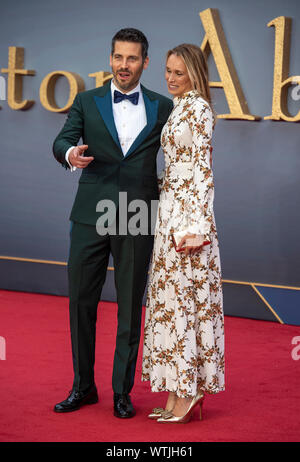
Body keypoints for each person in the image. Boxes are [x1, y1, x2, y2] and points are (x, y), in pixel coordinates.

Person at [52, 28, 173, 418]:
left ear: (145, 63)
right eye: (119, 57)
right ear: (110, 59)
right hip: (91, 212)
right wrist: (71, 153)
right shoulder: (87, 101)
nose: (124, 65)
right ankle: (83, 387)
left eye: (132, 58)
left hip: (137, 212)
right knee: (81, 303)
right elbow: (62, 140)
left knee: (129, 308)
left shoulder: (162, 106)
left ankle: (122, 391)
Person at [142, 44, 225, 423]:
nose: (170, 78)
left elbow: (201, 172)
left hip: (187, 225)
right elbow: (177, 168)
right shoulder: (181, 108)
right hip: (170, 216)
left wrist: (195, 229)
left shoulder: (200, 109)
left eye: (178, 72)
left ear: (194, 73)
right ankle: (179, 391)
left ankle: (190, 392)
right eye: (167, 71)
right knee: (173, 307)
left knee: (186, 307)